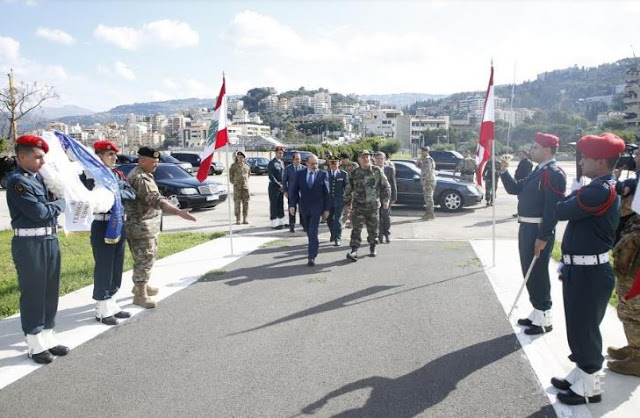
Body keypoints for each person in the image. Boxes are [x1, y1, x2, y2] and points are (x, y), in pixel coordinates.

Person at [551, 133, 626, 405]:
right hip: (582, 271)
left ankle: (591, 386)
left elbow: (561, 211)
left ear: (601, 161)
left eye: (585, 157)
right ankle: (581, 372)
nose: (581, 160)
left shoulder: (599, 189)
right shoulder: (598, 185)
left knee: (585, 330)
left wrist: (574, 193)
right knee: (579, 326)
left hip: (589, 273)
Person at [6, 135, 69, 364]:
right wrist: (61, 202)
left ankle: (48, 337)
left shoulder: (40, 179)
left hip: (49, 239)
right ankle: (34, 343)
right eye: (38, 157)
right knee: (33, 292)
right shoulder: (17, 181)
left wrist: (54, 204)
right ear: (22, 156)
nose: (42, 163)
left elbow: (46, 210)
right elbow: (39, 213)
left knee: (50, 290)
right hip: (29, 244)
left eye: (43, 157)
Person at [499, 132, 567, 335]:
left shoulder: (554, 173)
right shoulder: (539, 170)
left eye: (536, 147)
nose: (532, 150)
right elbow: (515, 188)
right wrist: (503, 171)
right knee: (528, 271)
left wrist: (543, 236)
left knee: (537, 273)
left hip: (538, 229)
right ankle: (537, 311)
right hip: (527, 227)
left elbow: (552, 209)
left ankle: (545, 317)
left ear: (547, 150)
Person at [125, 146, 196, 308]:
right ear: (142, 160)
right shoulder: (141, 178)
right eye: (153, 162)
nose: (156, 165)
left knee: (145, 259)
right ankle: (140, 294)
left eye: (157, 162)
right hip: (142, 227)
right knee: (144, 260)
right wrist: (177, 211)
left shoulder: (143, 173)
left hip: (145, 226)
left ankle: (141, 285)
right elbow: (156, 199)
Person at [82, 140, 136, 325]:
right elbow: (86, 196)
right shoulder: (89, 175)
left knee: (116, 265)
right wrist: (113, 192)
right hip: (102, 224)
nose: (114, 157)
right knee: (104, 265)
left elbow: (131, 194)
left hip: (119, 223)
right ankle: (101, 308)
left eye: (114, 154)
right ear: (99, 156)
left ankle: (112, 303)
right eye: (109, 154)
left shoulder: (117, 174)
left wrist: (114, 191)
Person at [608, 145, 640, 377]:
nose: (635, 158)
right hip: (631, 252)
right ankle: (634, 347)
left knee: (633, 306)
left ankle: (638, 358)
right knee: (628, 304)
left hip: (636, 258)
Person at [344, 149, 391, 261]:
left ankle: (373, 247)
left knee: (373, 229)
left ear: (370, 158)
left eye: (367, 157)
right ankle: (354, 250)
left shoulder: (376, 171)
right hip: (358, 206)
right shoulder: (354, 173)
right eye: (363, 157)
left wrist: (385, 200)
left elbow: (386, 186)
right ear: (359, 159)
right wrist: (347, 204)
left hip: (373, 206)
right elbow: (348, 189)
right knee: (356, 229)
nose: (366, 159)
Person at [289, 154, 330, 266]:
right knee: (308, 230)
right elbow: (294, 191)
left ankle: (312, 256)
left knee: (313, 231)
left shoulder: (323, 174)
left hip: (317, 208)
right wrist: (292, 205)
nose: (315, 166)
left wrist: (326, 209)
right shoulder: (300, 174)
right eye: (312, 164)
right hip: (304, 208)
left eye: (316, 163)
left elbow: (327, 194)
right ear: (306, 163)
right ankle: (312, 245)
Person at [374, 151, 397, 243]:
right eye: (378, 159)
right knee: (377, 218)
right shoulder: (372, 170)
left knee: (386, 217)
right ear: (374, 160)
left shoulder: (389, 169)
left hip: (386, 197)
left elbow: (393, 183)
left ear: (384, 159)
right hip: (375, 197)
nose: (380, 160)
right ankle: (380, 236)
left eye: (381, 159)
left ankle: (386, 233)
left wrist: (394, 197)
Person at [326, 157, 348, 246]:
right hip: (328, 200)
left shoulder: (343, 174)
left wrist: (347, 200)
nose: (333, 165)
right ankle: (333, 234)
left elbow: (347, 187)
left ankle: (337, 238)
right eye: (332, 164)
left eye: (335, 164)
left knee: (337, 219)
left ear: (338, 164)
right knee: (329, 219)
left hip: (339, 200)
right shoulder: (325, 174)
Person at [283, 152, 306, 232]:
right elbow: (284, 180)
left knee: (302, 210)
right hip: (292, 193)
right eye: (296, 159)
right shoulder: (288, 168)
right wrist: (285, 191)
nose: (298, 161)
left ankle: (304, 225)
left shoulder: (303, 168)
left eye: (299, 159)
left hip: (301, 194)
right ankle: (292, 226)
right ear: (293, 160)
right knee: (292, 210)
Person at [228, 151, 250, 225]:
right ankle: (238, 219)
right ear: (237, 158)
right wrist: (236, 183)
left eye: (242, 157)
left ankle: (245, 218)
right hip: (237, 188)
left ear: (244, 158)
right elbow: (230, 178)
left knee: (246, 203)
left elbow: (248, 176)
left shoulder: (247, 166)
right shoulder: (233, 166)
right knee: (237, 204)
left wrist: (245, 183)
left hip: (245, 188)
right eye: (239, 157)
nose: (240, 159)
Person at [267, 146, 286, 229]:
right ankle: (274, 223)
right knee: (274, 204)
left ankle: (281, 221)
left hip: (281, 187)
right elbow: (271, 176)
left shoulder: (281, 162)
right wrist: (279, 184)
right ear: (276, 153)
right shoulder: (272, 163)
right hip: (274, 186)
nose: (281, 154)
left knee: (280, 204)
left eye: (282, 153)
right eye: (279, 153)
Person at [416, 146, 436, 220]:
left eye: (422, 151)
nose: (421, 152)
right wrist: (420, 159)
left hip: (428, 180)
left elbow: (427, 171)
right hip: (427, 180)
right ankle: (428, 213)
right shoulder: (424, 159)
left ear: (426, 151)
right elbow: (417, 165)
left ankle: (430, 214)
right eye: (421, 151)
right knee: (427, 198)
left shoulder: (427, 159)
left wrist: (424, 180)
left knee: (428, 198)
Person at [339, 152, 358, 229]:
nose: (342, 160)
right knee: (346, 206)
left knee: (353, 207)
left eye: (343, 159)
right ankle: (343, 222)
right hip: (345, 189)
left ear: (347, 159)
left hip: (354, 189)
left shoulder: (354, 165)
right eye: (341, 159)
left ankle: (352, 222)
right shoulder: (340, 167)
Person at [512, 150, 534, 217]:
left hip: (524, 183)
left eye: (521, 154)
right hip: (520, 182)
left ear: (525, 155)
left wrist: (522, 181)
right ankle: (520, 212)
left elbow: (526, 174)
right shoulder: (522, 162)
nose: (519, 156)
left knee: (523, 199)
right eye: (519, 154)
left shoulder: (527, 163)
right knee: (520, 199)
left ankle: (522, 212)